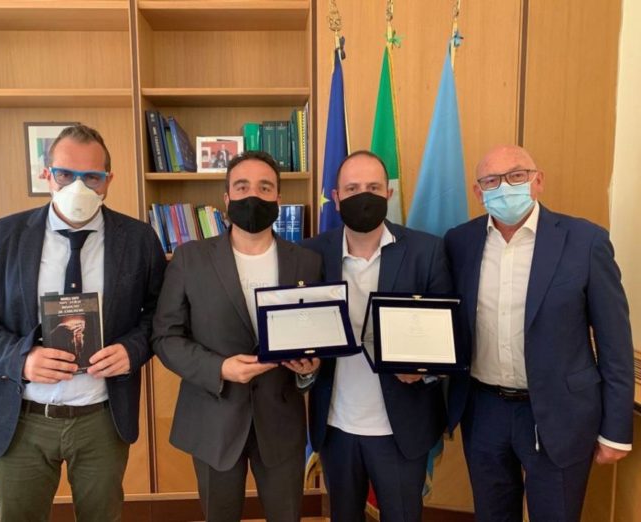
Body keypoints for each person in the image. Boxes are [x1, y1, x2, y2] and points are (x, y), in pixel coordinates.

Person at [0, 124, 167, 522]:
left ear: (108, 181)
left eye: (92, 177)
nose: (78, 186)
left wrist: (133, 349)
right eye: (66, 174)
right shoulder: (3, 236)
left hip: (102, 417)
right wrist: (21, 359)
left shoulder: (139, 240)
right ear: (46, 174)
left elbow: (161, 315)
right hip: (22, 416)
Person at [445, 145, 634, 522]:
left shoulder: (586, 241)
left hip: (560, 412)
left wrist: (616, 429)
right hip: (484, 410)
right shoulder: (459, 243)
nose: (505, 187)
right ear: (478, 192)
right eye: (492, 181)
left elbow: (615, 343)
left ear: (538, 181)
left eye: (516, 176)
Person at [151, 150, 322, 522]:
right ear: (226, 199)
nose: (253, 196)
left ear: (278, 198)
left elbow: (315, 336)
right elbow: (165, 337)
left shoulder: (307, 262)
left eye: (265, 187)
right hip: (213, 420)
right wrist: (220, 368)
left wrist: (308, 370)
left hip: (281, 424)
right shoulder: (189, 259)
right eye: (242, 187)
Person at [301, 150, 452, 522]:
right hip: (336, 426)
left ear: (389, 193)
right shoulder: (311, 253)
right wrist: (304, 366)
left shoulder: (427, 251)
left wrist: (425, 371)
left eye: (373, 187)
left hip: (401, 427)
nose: (363, 196)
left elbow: (449, 333)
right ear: (336, 197)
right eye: (352, 188)